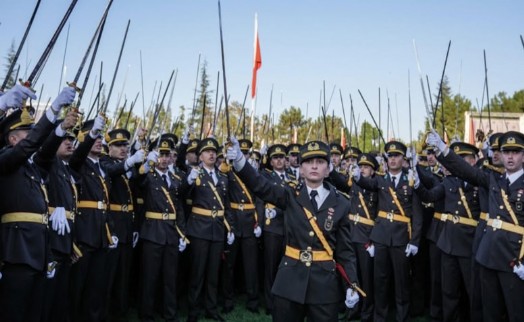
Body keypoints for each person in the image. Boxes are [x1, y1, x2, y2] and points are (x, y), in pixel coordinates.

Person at [228, 138, 360, 322]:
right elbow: (260, 185)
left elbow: (345, 251)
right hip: (289, 280)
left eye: (320, 162)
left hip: (324, 285)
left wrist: (351, 285)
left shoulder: (342, 203)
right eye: (308, 162)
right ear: (301, 169)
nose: (314, 166)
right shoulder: (289, 194)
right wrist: (240, 162)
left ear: (328, 169)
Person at [427, 129, 524, 322]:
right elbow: (465, 170)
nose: (510, 156)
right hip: (488, 256)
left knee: (516, 312)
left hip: (515, 258)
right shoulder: (493, 179)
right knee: (489, 312)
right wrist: (443, 149)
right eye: (506, 152)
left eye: (516, 151)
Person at [0, 85, 76, 322]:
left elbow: (44, 150)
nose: (34, 136)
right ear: (13, 139)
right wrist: (52, 110)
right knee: (15, 312)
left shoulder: (32, 167)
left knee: (35, 312)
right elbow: (30, 145)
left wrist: (61, 127)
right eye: (27, 132)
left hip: (39, 250)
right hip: (17, 251)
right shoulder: (6, 159)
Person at [351, 141, 423, 322]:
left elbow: (418, 215)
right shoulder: (381, 179)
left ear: (403, 158)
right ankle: (379, 318)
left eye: (396, 156)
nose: (392, 159)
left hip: (401, 238)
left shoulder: (411, 180)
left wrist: (414, 241)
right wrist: (358, 177)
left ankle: (402, 317)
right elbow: (367, 183)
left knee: (401, 284)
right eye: (389, 156)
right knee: (380, 282)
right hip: (381, 237)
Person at [415, 142, 481, 321]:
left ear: (473, 161)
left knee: (473, 291)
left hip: (470, 243)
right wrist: (416, 185)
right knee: (448, 291)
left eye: (462, 159)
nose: (455, 163)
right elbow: (430, 196)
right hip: (448, 243)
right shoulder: (449, 181)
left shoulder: (480, 181)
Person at [183, 137, 234, 322]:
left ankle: (211, 309)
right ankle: (193, 311)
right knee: (197, 273)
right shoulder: (194, 173)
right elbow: (182, 195)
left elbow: (226, 205)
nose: (211, 154)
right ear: (200, 156)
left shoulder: (222, 176)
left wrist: (231, 228)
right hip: (199, 229)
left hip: (217, 229)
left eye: (214, 151)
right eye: (207, 151)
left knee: (213, 273)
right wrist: (189, 181)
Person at [138, 135, 188, 322]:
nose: (165, 158)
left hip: (171, 232)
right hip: (153, 231)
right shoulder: (148, 176)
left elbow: (179, 208)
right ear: (154, 156)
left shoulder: (175, 179)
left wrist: (182, 233)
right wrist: (144, 167)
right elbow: (137, 182)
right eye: (161, 154)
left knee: (170, 277)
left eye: (167, 155)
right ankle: (147, 314)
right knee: (150, 277)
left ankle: (170, 313)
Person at [222, 139, 262, 314]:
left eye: (246, 153)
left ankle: (253, 301)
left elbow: (259, 198)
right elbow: (222, 197)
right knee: (229, 265)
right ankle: (227, 300)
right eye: (241, 153)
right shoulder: (227, 171)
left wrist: (258, 221)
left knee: (251, 265)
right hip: (233, 220)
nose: (244, 156)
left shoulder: (252, 172)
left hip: (249, 222)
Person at [258, 144, 289, 315]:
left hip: (288, 226)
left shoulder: (292, 176)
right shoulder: (266, 176)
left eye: (282, 157)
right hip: (272, 226)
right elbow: (260, 200)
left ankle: (284, 300)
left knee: (286, 267)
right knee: (270, 267)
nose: (279, 160)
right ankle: (270, 303)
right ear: (271, 161)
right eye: (275, 157)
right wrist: (261, 224)